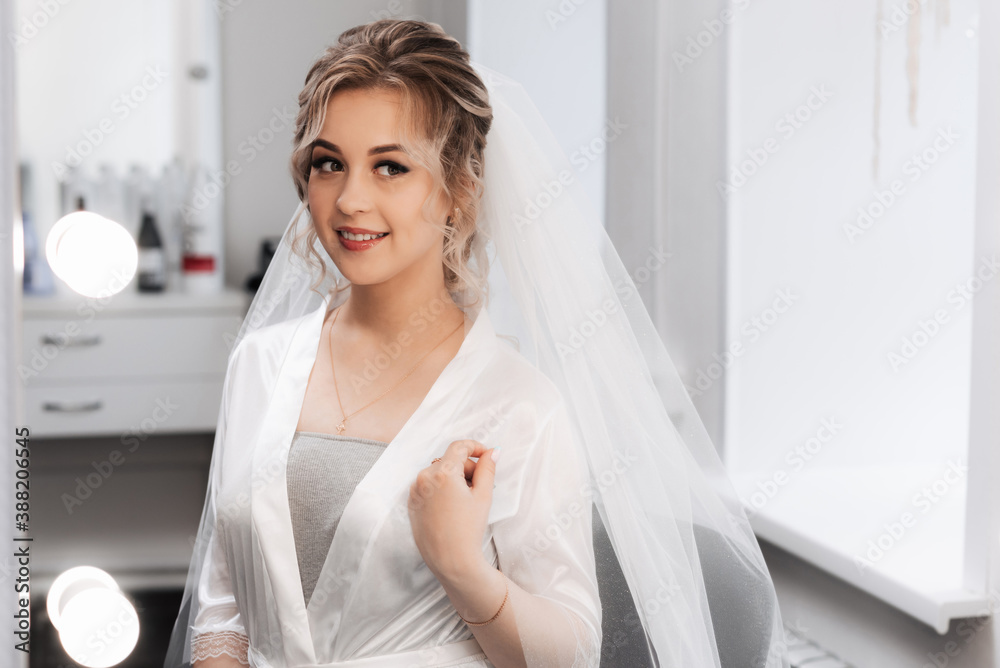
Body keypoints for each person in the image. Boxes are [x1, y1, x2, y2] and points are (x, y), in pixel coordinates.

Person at [165, 18, 790, 668]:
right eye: (330, 164)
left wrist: (463, 569)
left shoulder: (518, 407)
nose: (350, 199)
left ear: (460, 191)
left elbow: (571, 654)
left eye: (390, 167)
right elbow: (224, 598)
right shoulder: (260, 366)